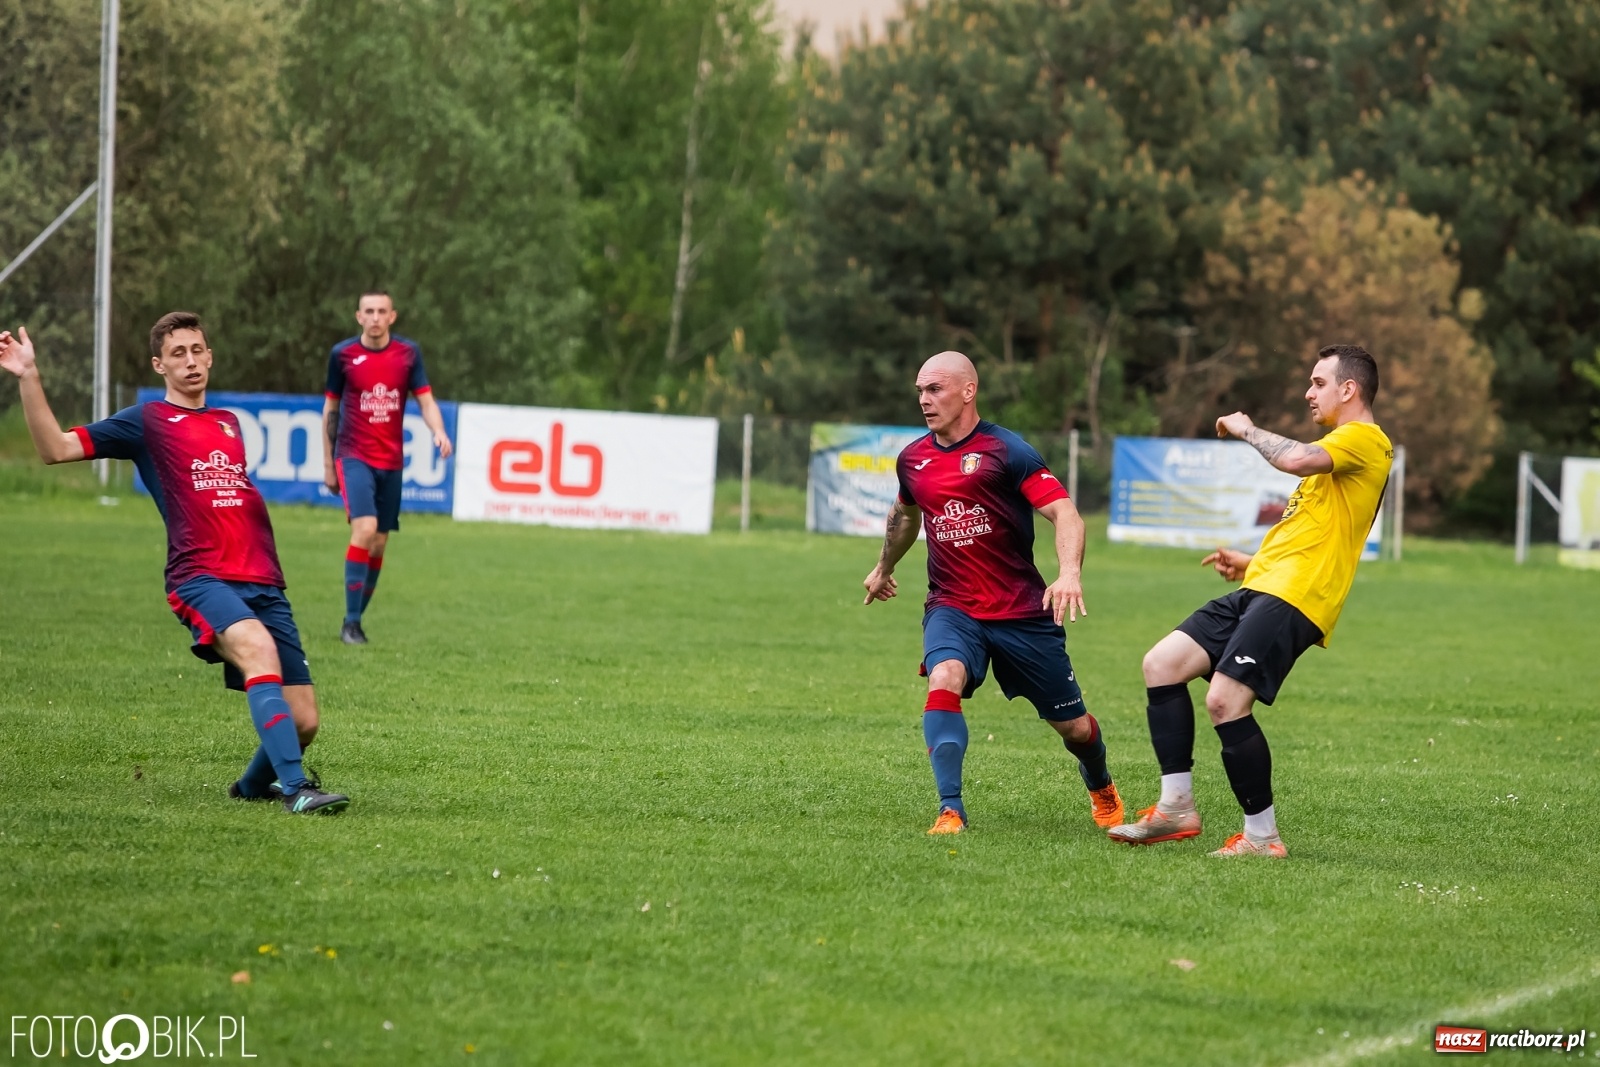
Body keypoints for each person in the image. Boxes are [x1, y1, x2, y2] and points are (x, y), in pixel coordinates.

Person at [0, 313, 350, 814]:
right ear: (159, 365)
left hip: (264, 579)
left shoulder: (228, 423)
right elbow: (55, 448)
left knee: (304, 720)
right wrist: (29, 376)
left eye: (197, 350)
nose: (190, 361)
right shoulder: (145, 422)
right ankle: (297, 791)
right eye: (178, 353)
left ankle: (252, 788)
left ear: (209, 356)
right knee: (256, 649)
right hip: (199, 576)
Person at [1108, 344, 1392, 857]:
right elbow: (1315, 531)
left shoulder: (1365, 440)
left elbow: (1296, 458)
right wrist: (1250, 563)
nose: (1309, 392)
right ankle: (1175, 809)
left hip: (1297, 597)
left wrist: (1245, 428)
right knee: (1163, 664)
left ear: (1349, 389)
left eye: (1318, 382)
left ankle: (1262, 837)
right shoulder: (1343, 450)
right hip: (1264, 585)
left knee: (1224, 700)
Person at [863, 351, 1123, 835]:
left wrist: (1069, 572)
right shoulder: (913, 459)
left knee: (1075, 729)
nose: (924, 399)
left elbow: (1065, 514)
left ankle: (1101, 782)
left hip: (1023, 612)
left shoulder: (1009, 451)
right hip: (952, 605)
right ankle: (951, 809)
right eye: (919, 390)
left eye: (935, 388)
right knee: (944, 676)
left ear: (968, 390)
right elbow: (905, 516)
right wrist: (883, 567)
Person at [322, 290, 452, 644]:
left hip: (391, 462)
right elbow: (331, 409)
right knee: (364, 529)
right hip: (353, 456)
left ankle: (355, 619)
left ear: (392, 317)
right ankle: (351, 625)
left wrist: (438, 430)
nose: (375, 317)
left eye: (382, 311)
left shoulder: (408, 354)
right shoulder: (343, 355)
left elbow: (426, 400)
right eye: (369, 311)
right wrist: (328, 462)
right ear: (358, 316)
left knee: (378, 543)